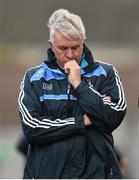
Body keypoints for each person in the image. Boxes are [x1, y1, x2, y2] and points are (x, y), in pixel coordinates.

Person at [18, 9, 127, 178]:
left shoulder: (106, 73)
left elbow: (112, 116)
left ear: (83, 42)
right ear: (51, 45)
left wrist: (79, 84)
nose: (70, 54)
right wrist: (82, 121)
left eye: (75, 47)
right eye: (63, 48)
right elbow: (32, 128)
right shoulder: (33, 78)